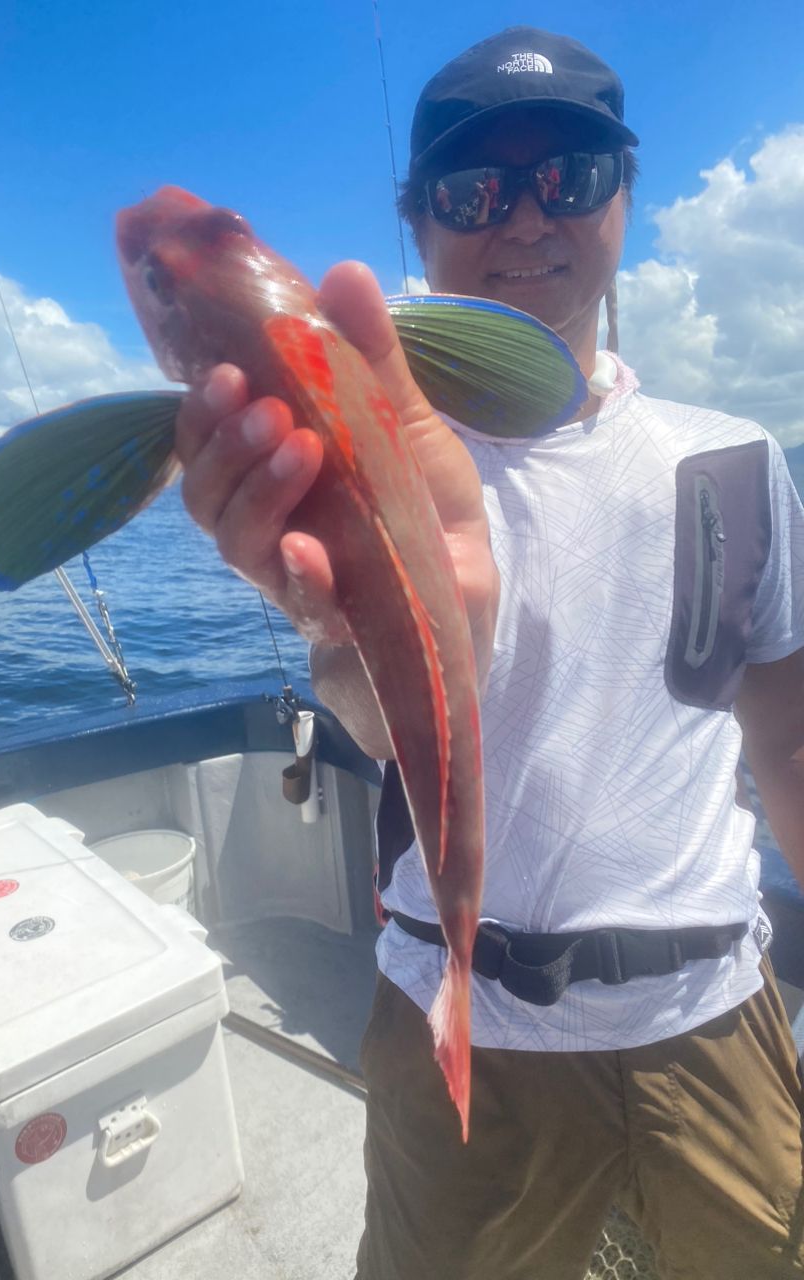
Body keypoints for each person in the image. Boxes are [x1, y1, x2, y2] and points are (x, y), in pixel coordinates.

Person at [175, 26, 804, 1280]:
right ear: (418, 223)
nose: (526, 217)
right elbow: (364, 709)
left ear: (627, 193)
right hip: (461, 1019)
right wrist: (337, 625)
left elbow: (784, 734)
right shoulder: (371, 468)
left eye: (568, 173)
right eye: (474, 189)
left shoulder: (735, 457)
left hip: (710, 1013)